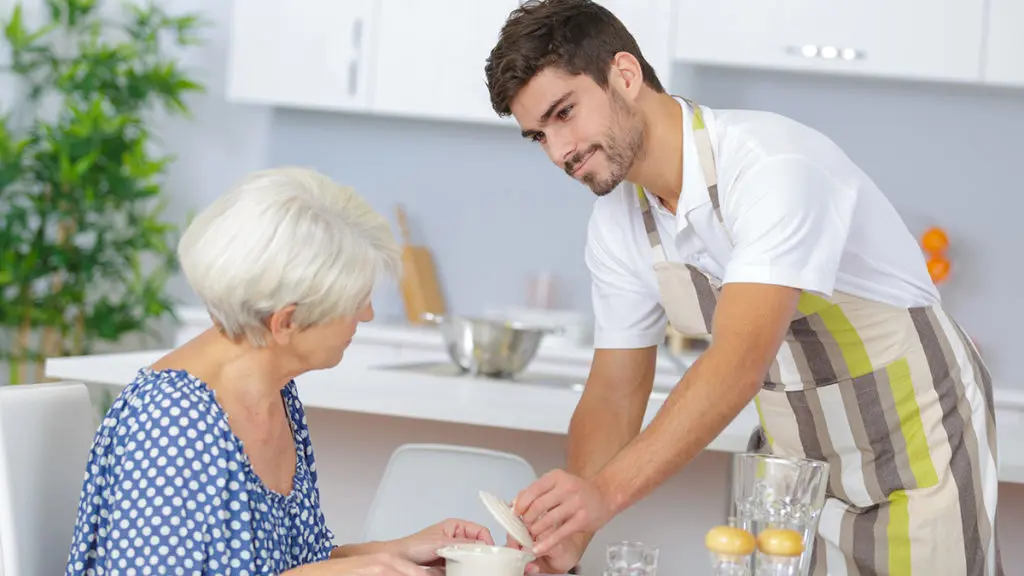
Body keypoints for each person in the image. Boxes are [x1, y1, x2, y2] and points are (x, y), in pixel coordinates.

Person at [484, 1, 1003, 574]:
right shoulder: (618, 225)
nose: (560, 152)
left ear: (625, 75)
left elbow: (737, 361)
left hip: (915, 444)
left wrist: (606, 493)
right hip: (795, 468)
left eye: (565, 113)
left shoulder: (770, 166)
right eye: (539, 136)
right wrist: (571, 532)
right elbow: (613, 390)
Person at [64, 166, 495, 575]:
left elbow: (297, 560)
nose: (367, 314)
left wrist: (396, 552)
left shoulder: (275, 394)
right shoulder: (171, 424)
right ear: (285, 323)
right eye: (355, 302)